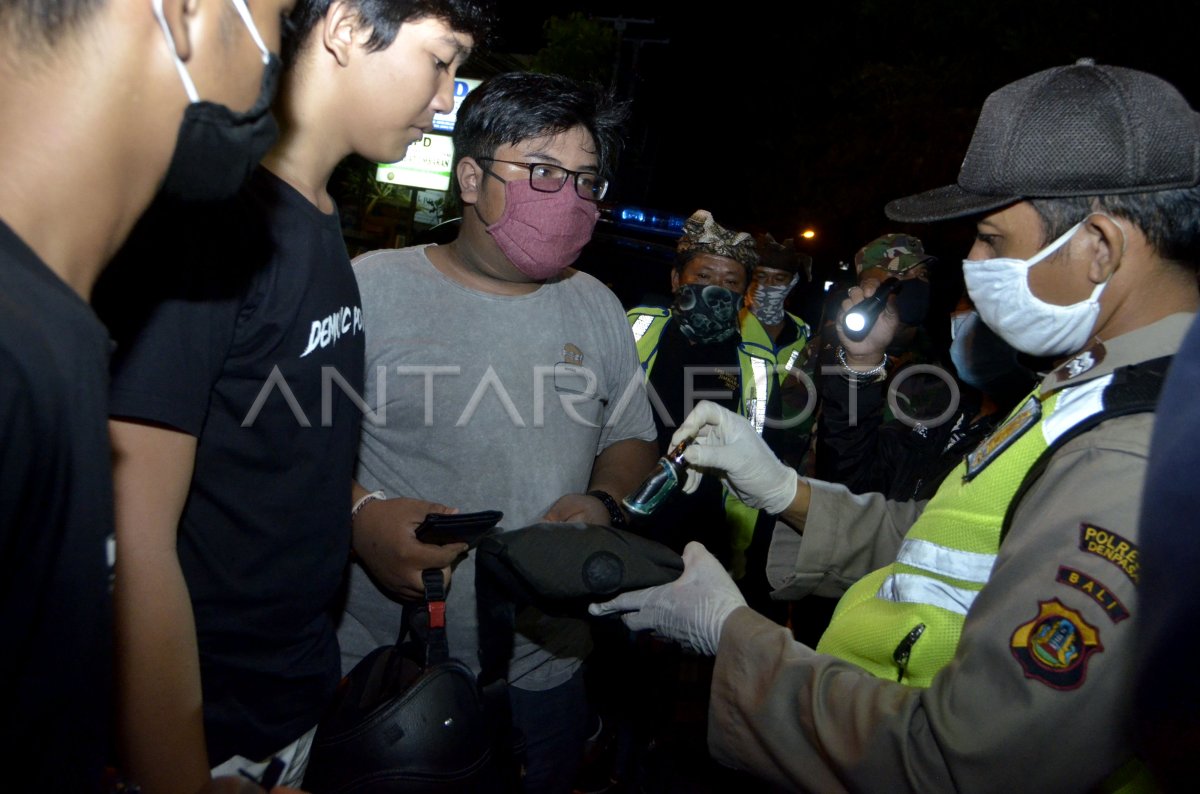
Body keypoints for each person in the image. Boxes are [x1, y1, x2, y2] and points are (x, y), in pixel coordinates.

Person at [592, 59, 1200, 791]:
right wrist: (784, 488)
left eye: (991, 239)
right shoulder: (1083, 388)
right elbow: (949, 541)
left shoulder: (1134, 454)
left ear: (1099, 246)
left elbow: (963, 764)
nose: (971, 263)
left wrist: (735, 635)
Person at [97, 1, 494, 790]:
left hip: (297, 700)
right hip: (208, 728)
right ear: (346, 29)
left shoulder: (316, 220)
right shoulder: (212, 225)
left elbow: (267, 445)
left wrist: (360, 514)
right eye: (440, 60)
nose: (448, 100)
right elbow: (131, 538)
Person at [334, 71, 658, 794]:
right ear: (471, 179)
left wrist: (604, 500)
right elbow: (287, 458)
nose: (570, 199)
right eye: (543, 172)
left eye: (586, 179)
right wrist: (359, 517)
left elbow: (631, 436)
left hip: (548, 671)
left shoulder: (598, 305)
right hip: (388, 665)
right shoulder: (370, 288)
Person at [0, 0, 294, 790]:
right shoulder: (14, 355)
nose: (277, 61)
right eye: (282, 17)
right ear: (188, 12)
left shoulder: (51, 328)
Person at [625, 209, 770, 575]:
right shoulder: (637, 329)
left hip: (700, 540)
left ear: (745, 294)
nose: (716, 289)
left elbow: (759, 461)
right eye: (703, 275)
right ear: (676, 279)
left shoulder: (756, 367)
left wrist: (739, 550)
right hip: (623, 514)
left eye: (731, 282)